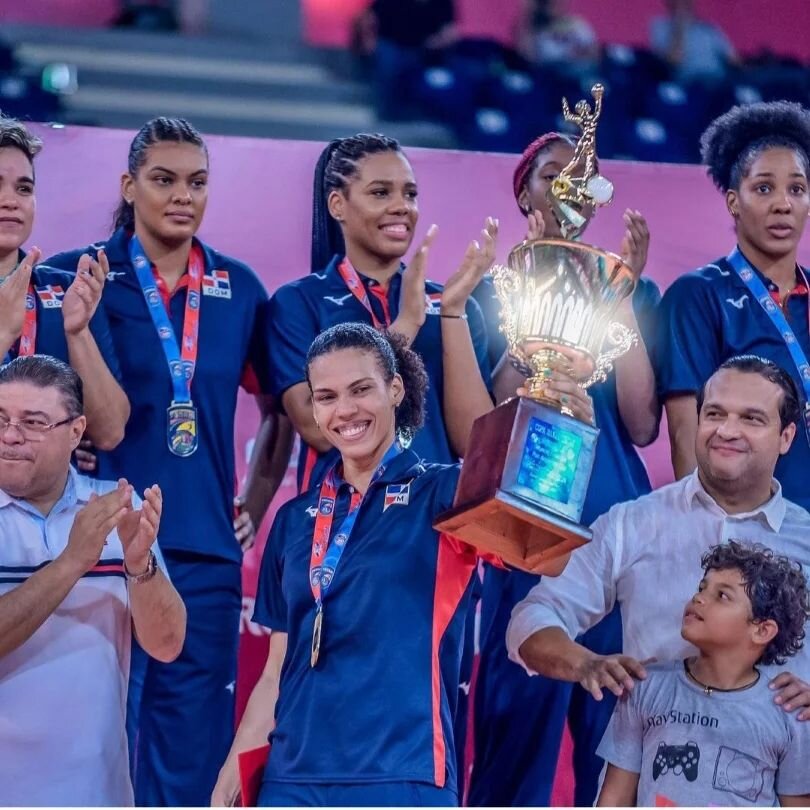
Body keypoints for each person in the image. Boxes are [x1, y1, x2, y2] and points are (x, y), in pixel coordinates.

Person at [42, 117, 293, 807]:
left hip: (204, 554)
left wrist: (252, 503)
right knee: (89, 740)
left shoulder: (239, 289)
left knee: (190, 754)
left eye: (197, 182)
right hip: (92, 548)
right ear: (129, 185)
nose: (182, 195)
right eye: (163, 179)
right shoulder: (75, 276)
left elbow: (282, 407)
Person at [212, 322, 507, 807]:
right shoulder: (292, 520)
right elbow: (276, 671)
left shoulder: (447, 494)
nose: (344, 410)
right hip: (292, 780)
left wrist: (552, 416)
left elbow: (543, 552)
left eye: (361, 389)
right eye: (325, 396)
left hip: (403, 775)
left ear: (395, 389)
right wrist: (235, 762)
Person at [467, 131, 659, 807]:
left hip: (615, 541)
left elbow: (640, 423)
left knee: (612, 748)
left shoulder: (625, 288)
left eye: (585, 180)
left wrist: (622, 297)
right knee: (516, 736)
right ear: (524, 190)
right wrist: (537, 319)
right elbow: (494, 408)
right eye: (552, 176)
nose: (568, 191)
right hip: (528, 535)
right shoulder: (494, 287)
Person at [508, 357, 810, 734]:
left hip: (779, 783)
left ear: (786, 437)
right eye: (715, 414)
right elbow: (532, 619)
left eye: (751, 419)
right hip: (647, 773)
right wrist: (586, 664)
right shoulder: (634, 523)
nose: (727, 431)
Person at [0, 355, 185, 806]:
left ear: (77, 431)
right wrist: (72, 562)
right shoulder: (91, 533)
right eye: (1, 418)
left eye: (33, 422)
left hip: (95, 792)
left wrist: (140, 565)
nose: (9, 435)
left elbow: (167, 644)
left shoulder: (114, 505)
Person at [657, 101, 810, 514]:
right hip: (752, 532)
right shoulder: (697, 295)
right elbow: (685, 433)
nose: (783, 204)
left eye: (796, 189)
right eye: (764, 188)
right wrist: (704, 538)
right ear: (733, 201)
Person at [597, 542, 810, 807]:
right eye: (702, 588)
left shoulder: (790, 713)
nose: (699, 598)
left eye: (722, 596)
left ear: (762, 630)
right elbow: (614, 799)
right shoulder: (645, 686)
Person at [0, 113, 129, 450]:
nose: (11, 200)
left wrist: (77, 332)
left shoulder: (68, 294)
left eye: (24, 188)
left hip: (49, 502)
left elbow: (110, 431)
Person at [354, 0, 457, 120]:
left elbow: (450, 31)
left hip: (421, 47)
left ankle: (413, 112)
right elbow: (368, 17)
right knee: (389, 64)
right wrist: (369, 42)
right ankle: (386, 111)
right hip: (389, 42)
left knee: (422, 71)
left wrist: (437, 42)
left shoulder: (442, 3)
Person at [650, 0, 738, 86]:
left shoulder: (708, 28)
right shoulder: (661, 26)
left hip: (718, 80)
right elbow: (674, 61)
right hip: (689, 83)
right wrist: (679, 26)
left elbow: (733, 60)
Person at [516, 0, 600, 79]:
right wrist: (528, 14)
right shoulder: (535, 30)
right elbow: (528, 58)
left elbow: (594, 52)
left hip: (583, 75)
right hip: (551, 79)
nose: (555, 5)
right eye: (550, 3)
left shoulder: (577, 24)